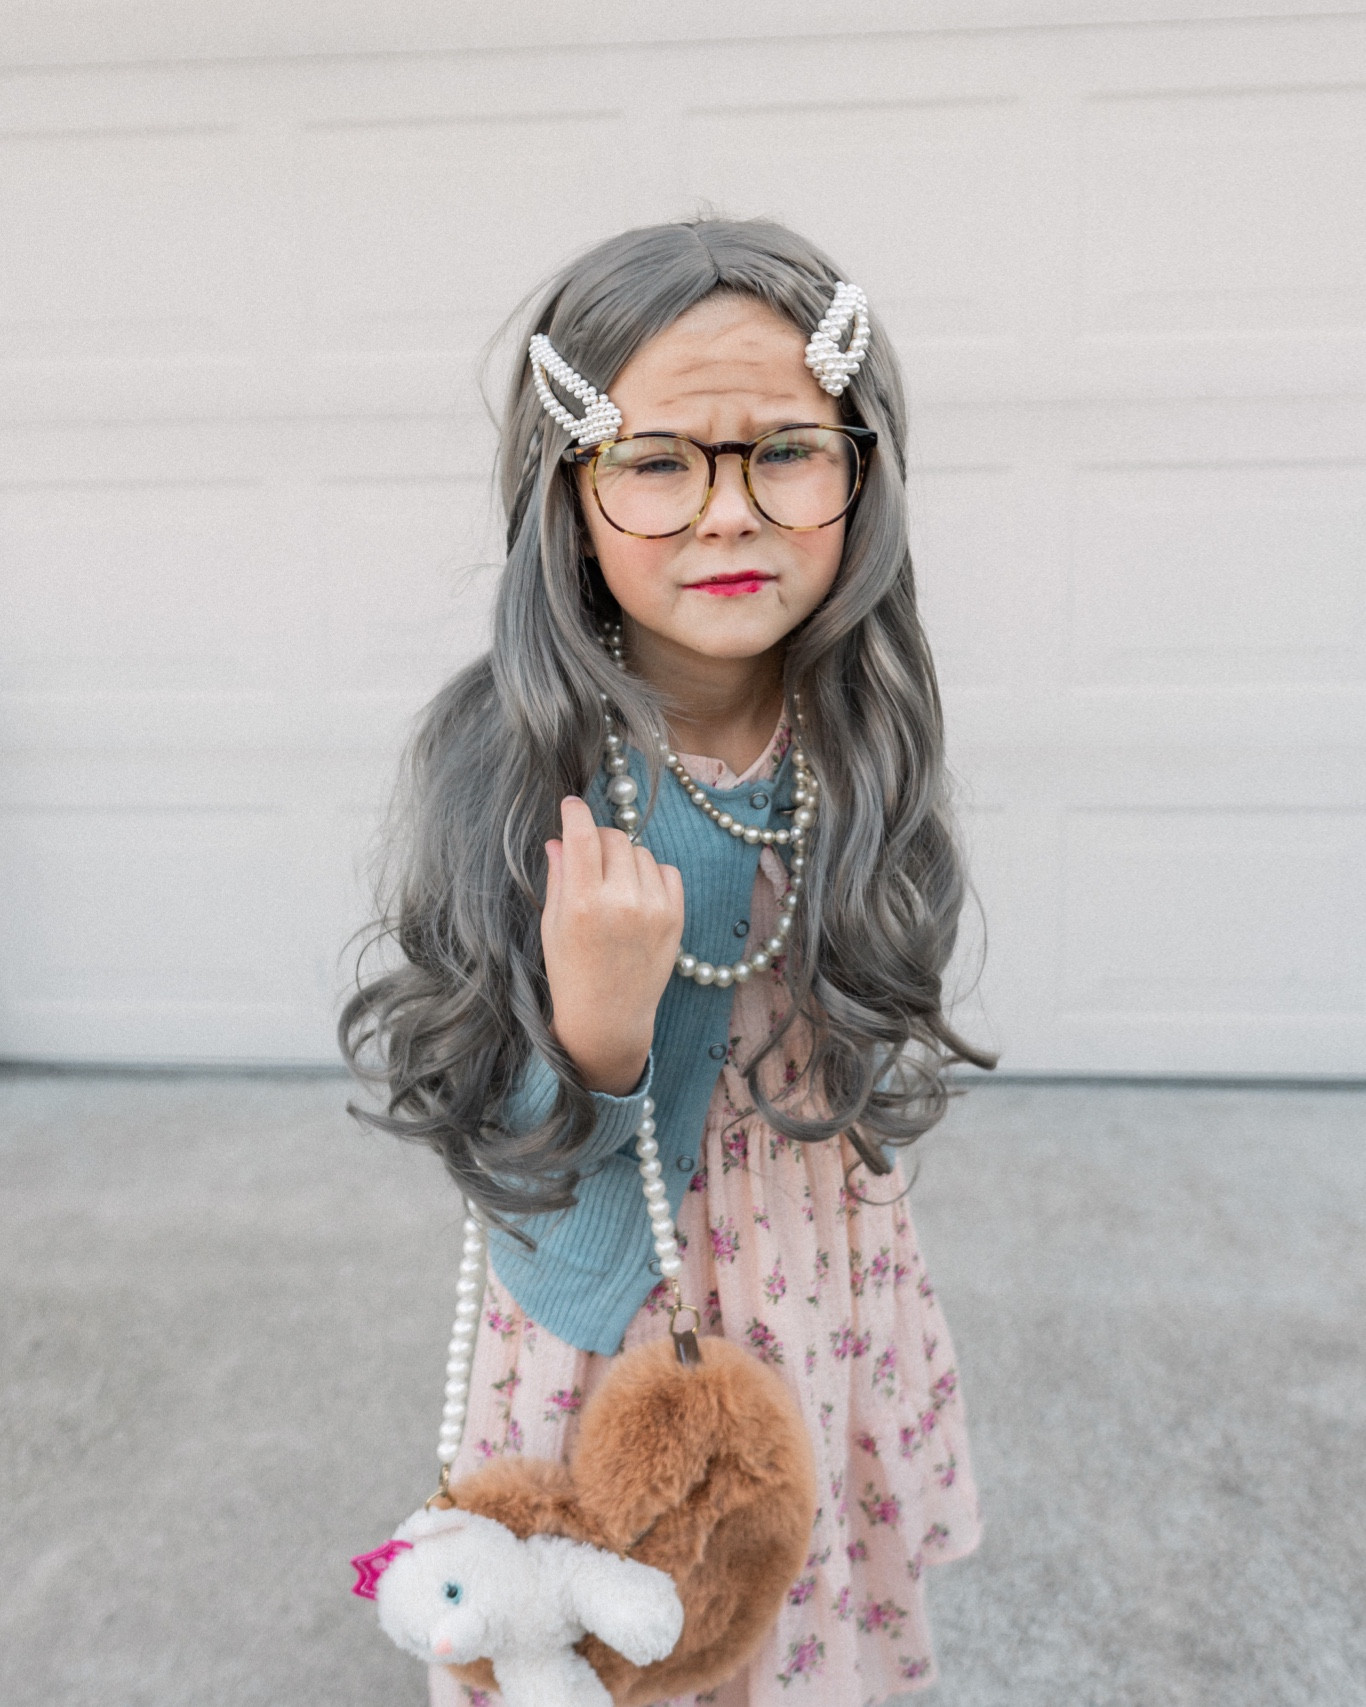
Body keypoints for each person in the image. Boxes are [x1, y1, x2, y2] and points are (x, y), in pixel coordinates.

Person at [341, 216, 995, 1706]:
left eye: (784, 450)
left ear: (859, 471)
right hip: (620, 1312)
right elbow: (498, 1158)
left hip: (812, 1268)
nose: (728, 514)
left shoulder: (854, 734)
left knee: (793, 1599)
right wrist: (597, 1028)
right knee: (630, 1621)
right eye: (655, 460)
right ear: (566, 496)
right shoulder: (523, 765)